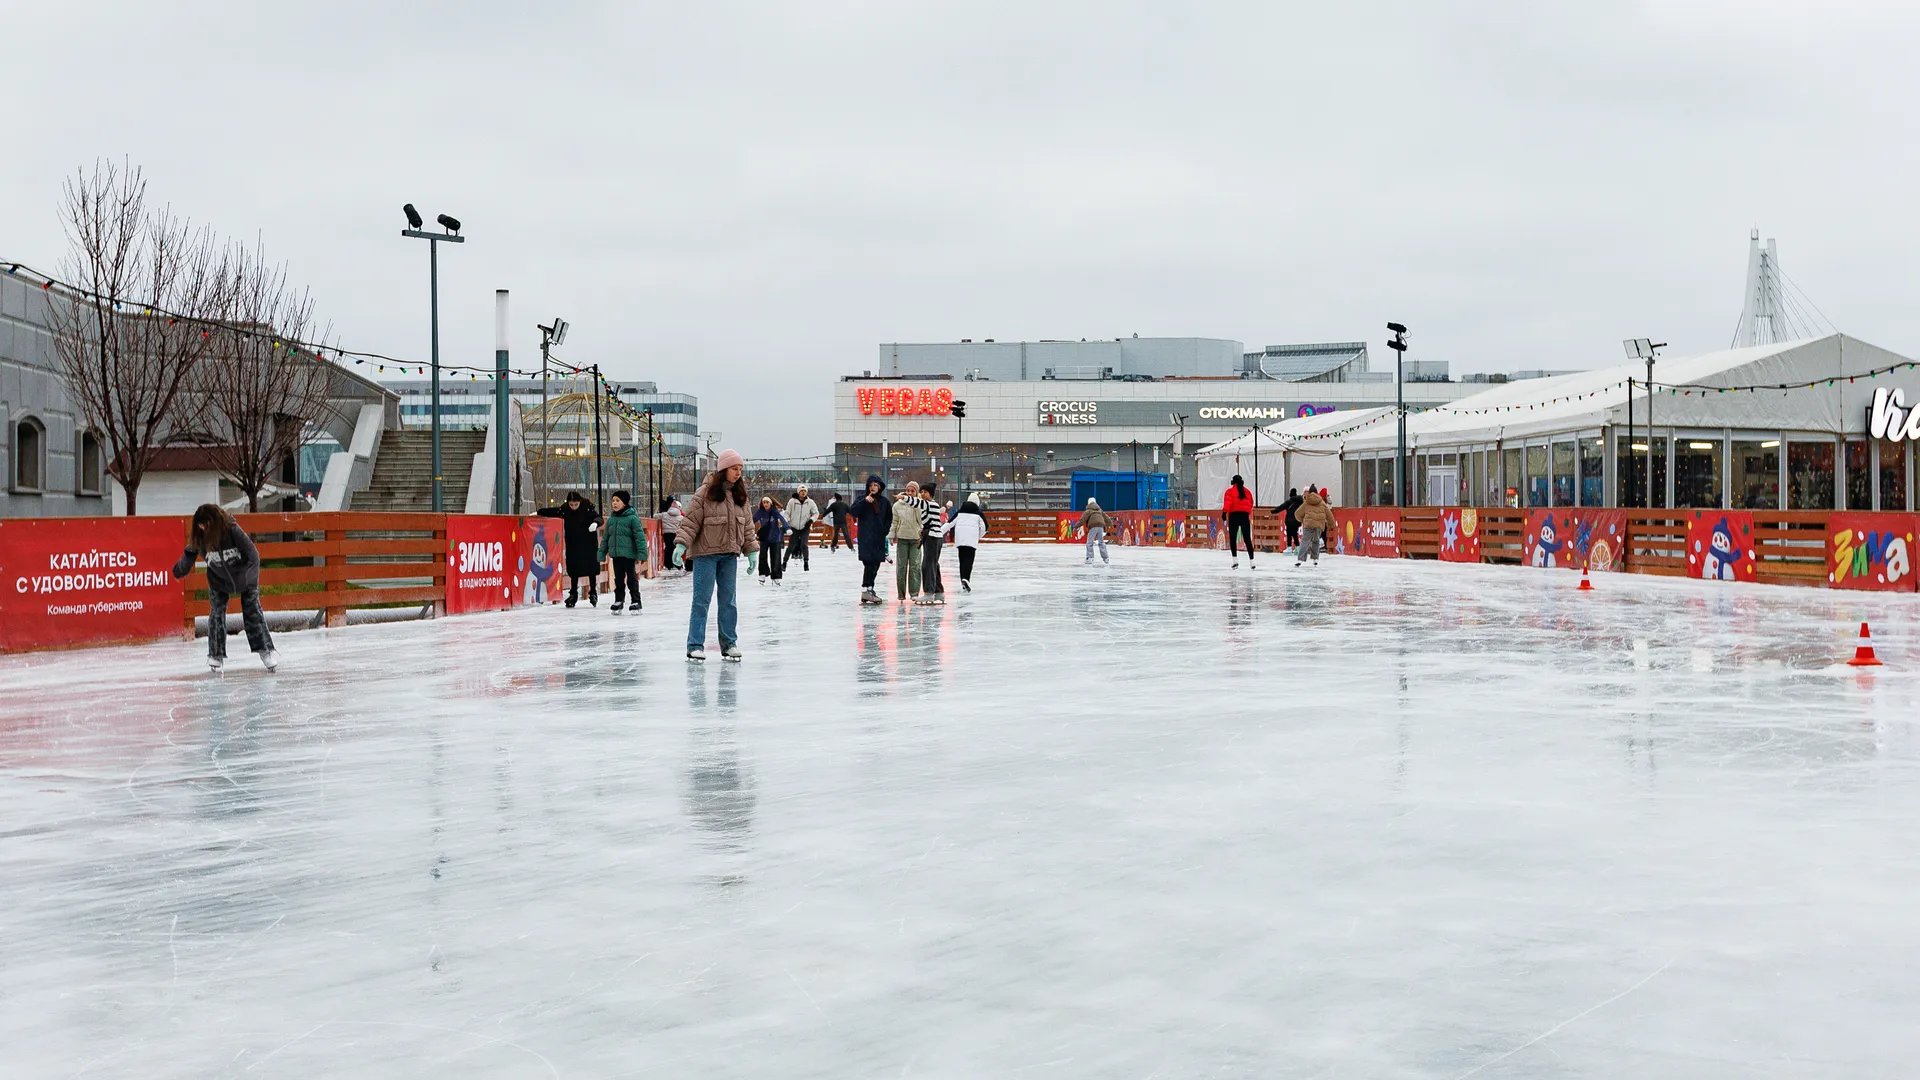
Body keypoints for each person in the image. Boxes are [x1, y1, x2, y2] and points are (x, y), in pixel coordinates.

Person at [675, 450, 757, 661]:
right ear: (723, 469)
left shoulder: (741, 496)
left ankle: (729, 643)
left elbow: (747, 526)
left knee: (728, 601)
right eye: (734, 469)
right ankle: (695, 645)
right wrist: (681, 545)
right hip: (706, 554)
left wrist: (752, 551)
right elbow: (691, 521)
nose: (738, 473)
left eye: (740, 469)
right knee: (702, 600)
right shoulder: (705, 493)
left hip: (729, 555)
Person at [173, 504, 275, 672]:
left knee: (252, 611)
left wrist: (249, 580)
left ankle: (265, 650)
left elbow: (253, 556)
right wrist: (178, 571)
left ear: (214, 522)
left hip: (244, 577)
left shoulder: (232, 530)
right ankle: (215, 654)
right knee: (216, 613)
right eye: (199, 525)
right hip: (218, 580)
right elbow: (189, 555)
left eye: (205, 524)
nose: (202, 528)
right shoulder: (200, 537)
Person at [537, 491, 602, 606]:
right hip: (573, 543)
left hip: (588, 543)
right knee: (573, 568)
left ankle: (593, 591)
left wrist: (595, 523)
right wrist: (539, 512)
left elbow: (598, 517)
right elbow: (554, 511)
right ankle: (573, 594)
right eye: (571, 505)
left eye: (575, 504)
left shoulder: (587, 509)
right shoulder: (565, 510)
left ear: (580, 502)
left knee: (591, 567)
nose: (573, 507)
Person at [599, 489, 648, 613]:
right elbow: (606, 539)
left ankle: (636, 600)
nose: (614, 503)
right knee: (618, 579)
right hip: (616, 555)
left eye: (617, 501)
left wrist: (642, 553)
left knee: (631, 578)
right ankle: (619, 600)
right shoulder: (611, 520)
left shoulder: (632, 518)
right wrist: (601, 552)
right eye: (613, 501)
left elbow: (639, 537)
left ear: (624, 503)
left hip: (629, 555)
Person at [850, 475, 892, 604]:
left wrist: (884, 531)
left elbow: (888, 518)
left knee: (876, 564)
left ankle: (869, 589)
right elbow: (853, 512)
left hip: (878, 538)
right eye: (870, 485)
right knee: (868, 563)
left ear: (879, 487)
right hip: (866, 537)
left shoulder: (884, 502)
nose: (873, 488)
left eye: (875, 485)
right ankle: (865, 589)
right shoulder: (862, 499)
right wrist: (864, 502)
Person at [944, 493, 989, 591]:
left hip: (960, 539)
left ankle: (963, 580)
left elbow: (949, 523)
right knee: (969, 560)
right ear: (977, 503)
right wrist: (977, 536)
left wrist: (938, 532)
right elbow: (985, 527)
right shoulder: (978, 513)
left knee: (962, 560)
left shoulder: (960, 511)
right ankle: (966, 579)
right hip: (971, 540)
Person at [888, 488, 926, 602]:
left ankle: (914, 593)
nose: (910, 493)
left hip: (916, 539)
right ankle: (901, 593)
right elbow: (894, 521)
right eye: (908, 490)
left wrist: (916, 505)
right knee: (901, 566)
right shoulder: (897, 506)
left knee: (915, 565)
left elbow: (922, 521)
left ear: (917, 492)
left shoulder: (920, 504)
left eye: (912, 491)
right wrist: (891, 535)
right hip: (902, 539)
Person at [918, 481, 947, 604]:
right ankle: (938, 592)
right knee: (933, 564)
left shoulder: (931, 504)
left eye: (925, 492)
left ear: (930, 494)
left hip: (933, 537)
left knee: (928, 565)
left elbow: (915, 502)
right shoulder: (928, 505)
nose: (922, 494)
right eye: (922, 492)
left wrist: (904, 497)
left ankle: (929, 593)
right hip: (931, 536)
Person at [1223, 474, 1255, 569]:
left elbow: (1228, 502)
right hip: (1244, 516)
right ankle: (1252, 562)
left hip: (1234, 516)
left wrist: (1224, 512)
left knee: (1233, 539)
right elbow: (1251, 503)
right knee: (1247, 539)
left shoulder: (1230, 491)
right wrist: (1247, 511)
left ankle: (1235, 560)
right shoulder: (1247, 492)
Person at [1295, 487, 1334, 566]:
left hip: (1308, 524)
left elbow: (1297, 513)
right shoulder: (1322, 502)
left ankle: (1300, 559)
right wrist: (1331, 524)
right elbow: (1329, 514)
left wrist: (1302, 520)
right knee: (1316, 541)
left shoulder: (1307, 502)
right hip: (1319, 525)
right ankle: (1315, 559)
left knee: (1305, 541)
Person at [783, 485, 819, 571]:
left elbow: (816, 513)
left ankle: (806, 562)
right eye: (801, 491)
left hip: (805, 527)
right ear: (798, 492)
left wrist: (811, 520)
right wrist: (787, 521)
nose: (803, 492)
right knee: (791, 546)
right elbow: (787, 513)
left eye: (804, 491)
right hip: (794, 527)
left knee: (804, 545)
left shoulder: (810, 502)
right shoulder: (792, 502)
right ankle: (784, 562)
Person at [754, 495, 788, 583]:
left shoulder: (774, 511)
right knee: (762, 556)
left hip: (775, 537)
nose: (765, 504)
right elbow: (752, 520)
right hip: (764, 537)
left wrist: (787, 528)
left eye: (767, 502)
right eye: (764, 502)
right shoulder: (760, 512)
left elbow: (782, 519)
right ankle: (762, 573)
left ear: (770, 503)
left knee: (776, 557)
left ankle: (776, 576)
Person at [1079, 497, 1111, 566]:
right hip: (1100, 527)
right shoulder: (1100, 510)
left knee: (1089, 542)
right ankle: (1106, 558)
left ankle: (1090, 558)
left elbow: (1082, 520)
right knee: (1101, 542)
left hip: (1093, 527)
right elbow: (1106, 517)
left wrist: (1076, 526)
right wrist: (1110, 523)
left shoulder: (1088, 511)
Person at [1270, 487, 1303, 551]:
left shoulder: (1289, 501)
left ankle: (1289, 548)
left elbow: (1281, 507)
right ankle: (1297, 548)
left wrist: (1273, 511)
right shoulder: (1300, 502)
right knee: (1295, 534)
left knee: (1289, 534)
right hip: (1297, 521)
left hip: (1289, 521)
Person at [657, 497, 684, 571]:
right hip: (676, 534)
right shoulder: (680, 517)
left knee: (668, 548)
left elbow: (654, 516)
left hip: (667, 534)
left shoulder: (664, 515)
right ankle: (678, 564)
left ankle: (668, 564)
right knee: (676, 548)